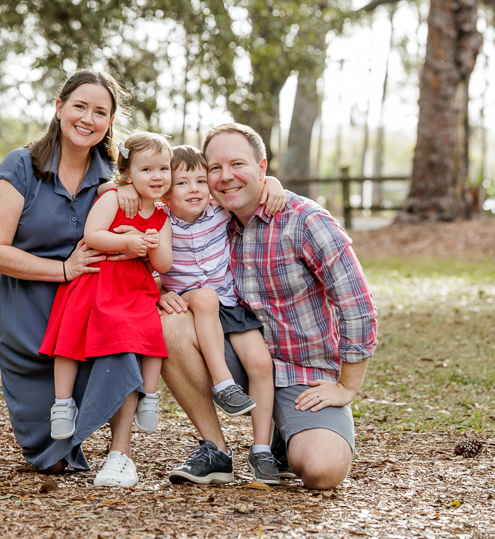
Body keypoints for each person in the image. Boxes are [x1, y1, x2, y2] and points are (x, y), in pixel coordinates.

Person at [159, 123, 378, 490]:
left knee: (322, 470)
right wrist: (158, 291)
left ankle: (281, 436)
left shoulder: (306, 221)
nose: (226, 177)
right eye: (215, 168)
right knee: (169, 323)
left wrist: (347, 386)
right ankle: (216, 449)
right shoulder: (214, 218)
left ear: (262, 168)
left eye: (237, 164)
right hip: (240, 360)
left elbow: (356, 304)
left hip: (302, 373)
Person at [0, 69, 149, 488]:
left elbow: (178, 182)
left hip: (92, 309)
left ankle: (120, 452)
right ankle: (58, 425)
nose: (88, 118)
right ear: (59, 108)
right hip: (27, 315)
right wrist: (63, 269)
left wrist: (266, 181)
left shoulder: (117, 174)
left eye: (100, 112)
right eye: (80, 106)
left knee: (123, 336)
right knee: (52, 461)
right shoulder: (22, 165)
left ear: (110, 122)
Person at [38, 133, 173, 472]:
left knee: (150, 335)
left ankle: (150, 396)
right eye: (147, 169)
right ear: (128, 174)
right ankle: (63, 403)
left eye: (163, 168)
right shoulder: (114, 198)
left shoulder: (161, 216)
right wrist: (126, 240)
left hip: (134, 287)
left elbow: (163, 266)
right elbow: (93, 234)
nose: (157, 177)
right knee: (70, 341)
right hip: (97, 280)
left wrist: (152, 244)